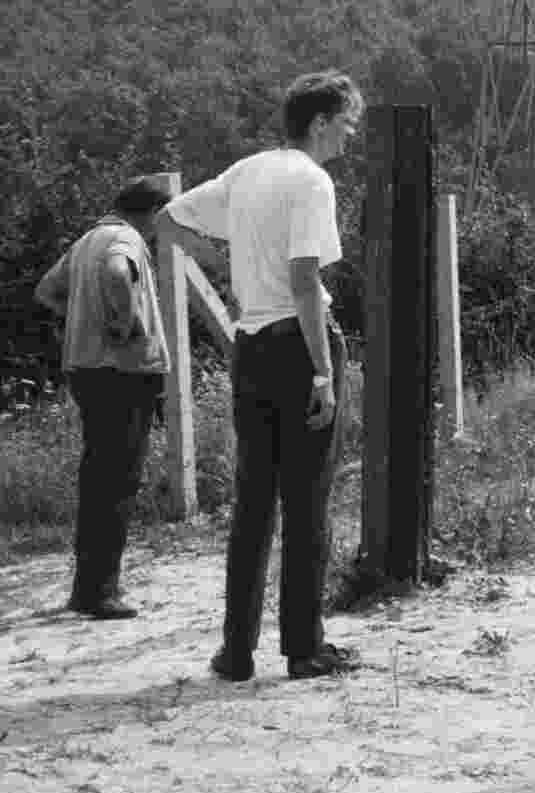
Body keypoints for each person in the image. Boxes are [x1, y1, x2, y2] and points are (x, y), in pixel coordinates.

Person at [155, 70, 363, 682]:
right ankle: (303, 649)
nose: (349, 138)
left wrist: (225, 265)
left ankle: (236, 651)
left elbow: (168, 222)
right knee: (307, 503)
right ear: (320, 122)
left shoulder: (246, 171)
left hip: (250, 347)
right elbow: (305, 280)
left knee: (253, 504)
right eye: (346, 124)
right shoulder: (312, 181)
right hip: (300, 349)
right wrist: (324, 374)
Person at [34, 177, 172, 619]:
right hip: (122, 374)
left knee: (98, 479)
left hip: (88, 371)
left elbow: (46, 292)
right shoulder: (124, 238)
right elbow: (117, 272)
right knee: (117, 481)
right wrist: (125, 324)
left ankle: (87, 587)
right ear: (152, 213)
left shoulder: (87, 239)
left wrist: (87, 318)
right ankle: (100, 593)